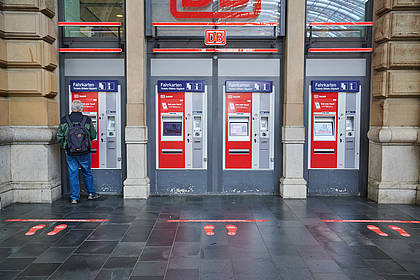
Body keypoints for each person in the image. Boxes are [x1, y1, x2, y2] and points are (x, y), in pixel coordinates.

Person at [57, 100, 100, 204]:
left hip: (70, 152)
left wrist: (65, 146)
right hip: (84, 151)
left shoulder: (64, 120)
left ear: (72, 109)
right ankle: (91, 193)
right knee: (87, 171)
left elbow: (59, 136)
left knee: (73, 173)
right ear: (81, 109)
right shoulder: (87, 120)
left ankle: (74, 197)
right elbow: (93, 135)